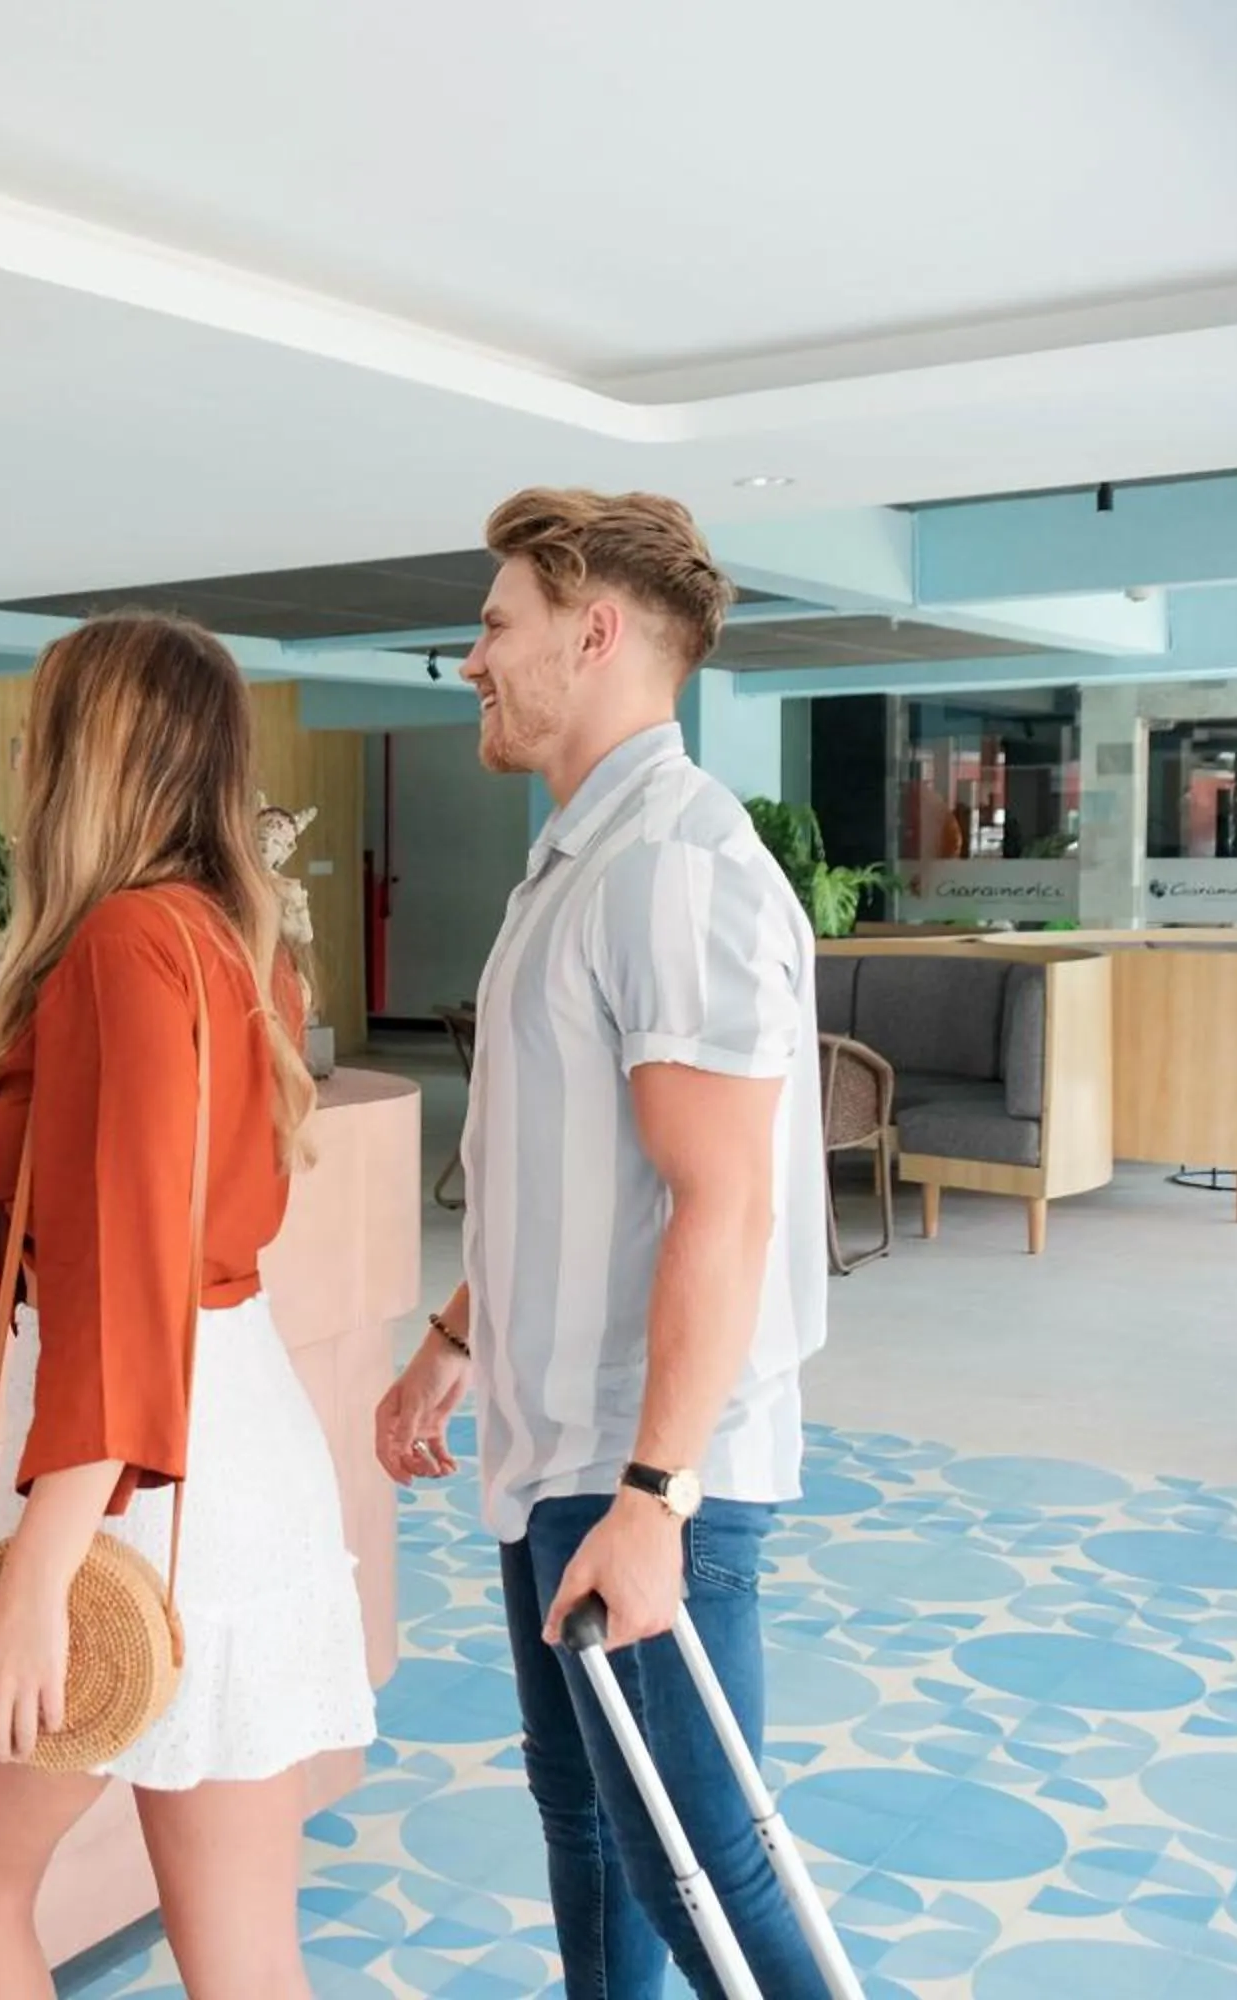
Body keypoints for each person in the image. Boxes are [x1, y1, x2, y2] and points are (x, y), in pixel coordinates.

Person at [0, 614, 375, 2000]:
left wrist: (39, 1571)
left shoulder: (118, 942)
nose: (25, 751)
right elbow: (176, 1196)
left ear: (95, 752)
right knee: (243, 1951)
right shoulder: (236, 938)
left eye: (45, 723)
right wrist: (0, 1160)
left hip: (137, 1476)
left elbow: (134, 1279)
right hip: (241, 1453)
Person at [375, 489, 830, 1998]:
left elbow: (727, 1201)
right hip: (556, 1444)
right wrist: (454, 1341)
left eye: (496, 625)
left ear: (596, 629)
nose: (473, 661)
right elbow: (566, 1177)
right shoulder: (580, 860)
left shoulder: (672, 867)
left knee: (709, 1869)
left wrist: (653, 1497)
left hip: (639, 1469)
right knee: (590, 1832)